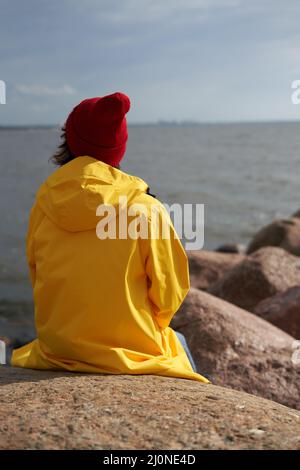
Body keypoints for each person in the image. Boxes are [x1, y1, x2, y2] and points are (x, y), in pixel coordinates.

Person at [11, 91, 209, 384]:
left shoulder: (44, 205)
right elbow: (170, 293)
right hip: (129, 353)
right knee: (177, 340)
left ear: (69, 142)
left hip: (59, 350)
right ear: (118, 149)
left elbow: (37, 273)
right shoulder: (146, 209)